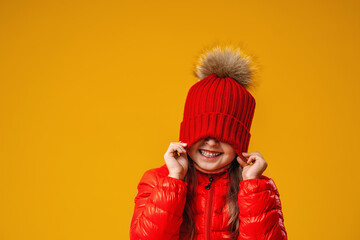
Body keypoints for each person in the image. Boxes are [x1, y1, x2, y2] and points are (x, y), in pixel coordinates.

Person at [130, 45, 288, 240]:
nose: (212, 143)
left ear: (239, 142)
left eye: (224, 135)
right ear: (188, 134)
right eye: (203, 133)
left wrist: (253, 186)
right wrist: (174, 180)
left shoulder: (258, 187)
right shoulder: (158, 180)